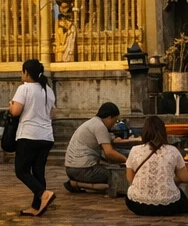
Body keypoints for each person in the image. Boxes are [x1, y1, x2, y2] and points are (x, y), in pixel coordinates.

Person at [8, 58, 57, 216]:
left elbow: (15, 111)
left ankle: (43, 194)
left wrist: (10, 105)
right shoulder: (48, 90)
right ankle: (37, 207)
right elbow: (51, 113)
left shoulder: (25, 88)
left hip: (29, 135)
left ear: (26, 73)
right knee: (38, 171)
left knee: (21, 170)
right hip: (46, 136)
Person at [124, 115, 188, 216]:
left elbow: (130, 178)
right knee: (181, 199)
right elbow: (185, 178)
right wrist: (171, 181)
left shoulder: (134, 150)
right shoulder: (173, 151)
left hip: (137, 204)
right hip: (168, 205)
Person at [64, 102, 128, 192]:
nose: (114, 123)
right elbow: (109, 153)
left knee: (112, 171)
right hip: (83, 169)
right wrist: (127, 161)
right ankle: (76, 183)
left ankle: (76, 183)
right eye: (115, 119)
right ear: (110, 117)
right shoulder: (100, 126)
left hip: (70, 169)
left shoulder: (92, 122)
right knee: (117, 176)